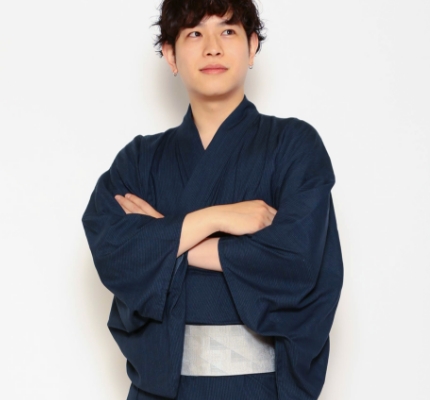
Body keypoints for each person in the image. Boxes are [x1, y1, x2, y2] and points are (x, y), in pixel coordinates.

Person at [82, 0, 344, 399]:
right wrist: (217, 218)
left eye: (227, 31)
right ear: (170, 54)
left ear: (252, 46)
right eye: (194, 33)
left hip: (260, 390)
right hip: (161, 391)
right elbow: (115, 254)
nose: (212, 48)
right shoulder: (139, 161)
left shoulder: (293, 146)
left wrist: (165, 238)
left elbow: (296, 262)